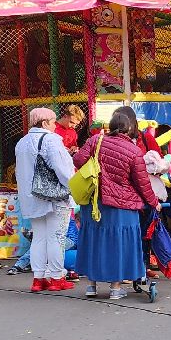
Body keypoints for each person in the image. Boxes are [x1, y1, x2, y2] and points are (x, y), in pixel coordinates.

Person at [72, 106, 159, 300]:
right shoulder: (133, 151)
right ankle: (115, 288)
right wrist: (154, 202)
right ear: (129, 129)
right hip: (122, 206)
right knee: (118, 244)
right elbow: (142, 183)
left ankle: (91, 286)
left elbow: (78, 160)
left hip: (94, 201)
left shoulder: (96, 140)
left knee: (94, 241)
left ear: (110, 126)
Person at [14, 107, 77, 292]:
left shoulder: (22, 142)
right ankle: (57, 277)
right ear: (44, 123)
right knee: (56, 237)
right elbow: (63, 170)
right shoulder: (51, 140)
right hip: (54, 197)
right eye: (52, 122)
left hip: (31, 198)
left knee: (39, 237)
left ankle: (38, 278)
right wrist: (74, 189)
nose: (55, 126)